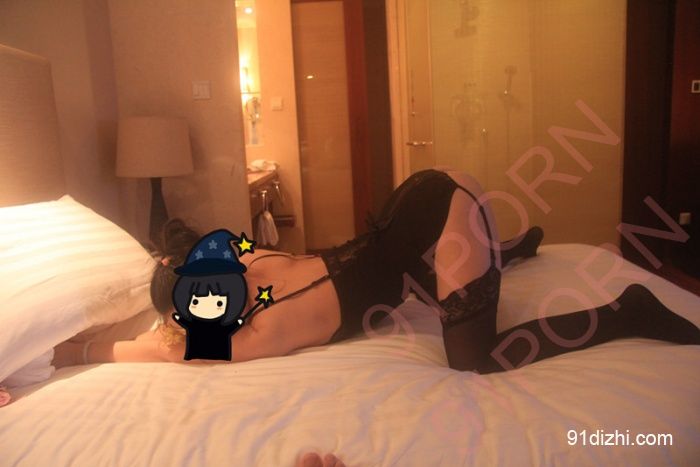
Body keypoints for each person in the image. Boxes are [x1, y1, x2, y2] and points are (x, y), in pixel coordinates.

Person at [53, 169, 699, 371]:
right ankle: (508, 250)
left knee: (474, 358)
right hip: (413, 220)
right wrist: (76, 347)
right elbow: (166, 345)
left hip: (439, 214)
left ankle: (628, 311)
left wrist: (78, 350)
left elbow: (162, 350)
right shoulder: (248, 261)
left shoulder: (256, 320)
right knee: (414, 276)